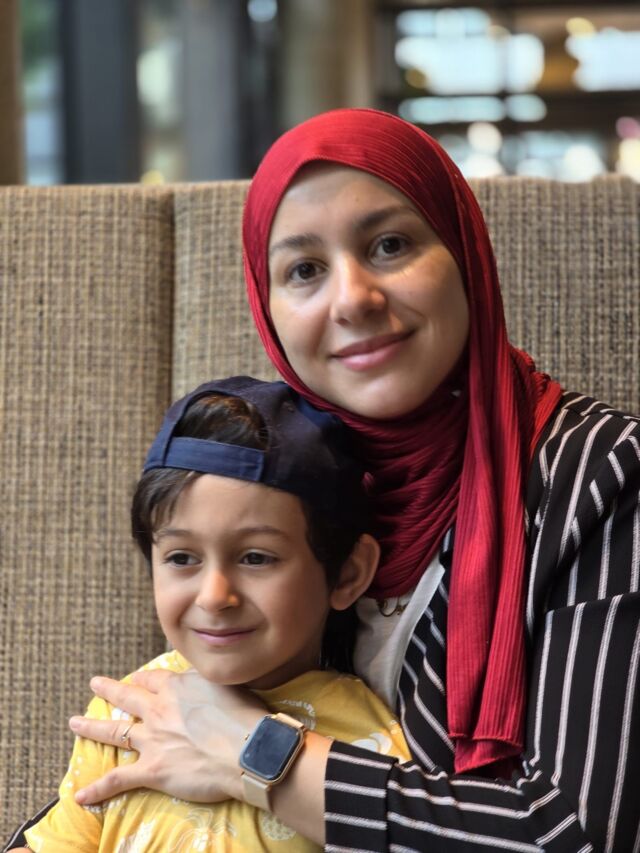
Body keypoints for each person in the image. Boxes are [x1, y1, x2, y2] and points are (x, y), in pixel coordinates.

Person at [13, 109, 640, 851]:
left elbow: (577, 835)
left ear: (465, 253)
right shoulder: (273, 480)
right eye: (305, 269)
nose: (352, 299)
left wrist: (254, 753)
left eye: (390, 245)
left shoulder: (601, 475)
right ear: (268, 305)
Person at [16, 377, 410, 852]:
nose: (214, 597)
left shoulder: (363, 748)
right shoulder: (128, 710)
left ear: (346, 574)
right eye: (182, 558)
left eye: (256, 558)